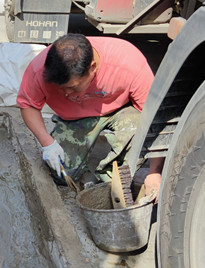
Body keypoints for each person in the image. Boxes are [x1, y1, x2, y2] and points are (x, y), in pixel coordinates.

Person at [17, 33, 163, 200]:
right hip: (75, 118)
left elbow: (158, 118)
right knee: (62, 174)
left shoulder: (128, 63)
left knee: (138, 132)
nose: (66, 93)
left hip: (122, 110)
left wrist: (155, 172)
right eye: (61, 88)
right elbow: (28, 104)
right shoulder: (39, 69)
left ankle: (109, 175)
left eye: (73, 87)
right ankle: (85, 172)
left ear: (92, 68)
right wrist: (47, 144)